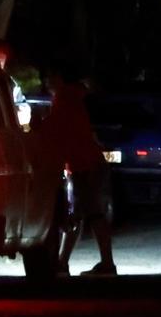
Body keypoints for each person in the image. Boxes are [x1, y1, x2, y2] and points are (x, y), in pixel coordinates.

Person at [38, 61, 115, 276]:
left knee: (92, 214)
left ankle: (106, 264)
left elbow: (54, 128)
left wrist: (35, 126)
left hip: (86, 165)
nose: (46, 82)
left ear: (59, 78)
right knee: (78, 216)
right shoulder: (70, 96)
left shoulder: (64, 98)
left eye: (49, 77)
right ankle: (63, 262)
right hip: (85, 164)